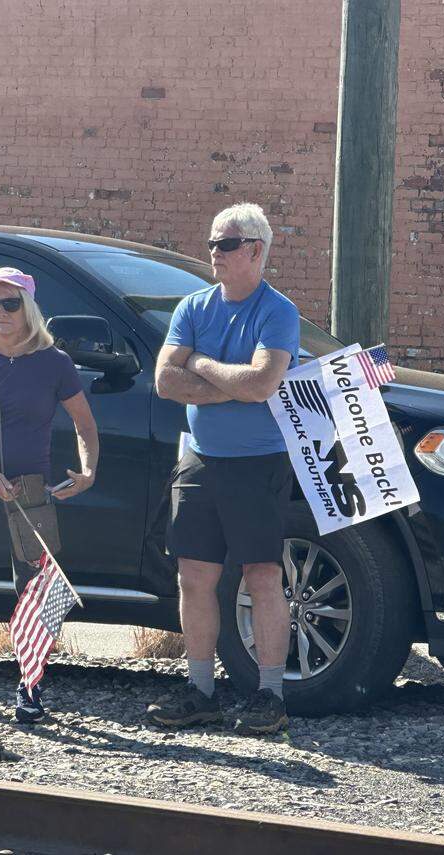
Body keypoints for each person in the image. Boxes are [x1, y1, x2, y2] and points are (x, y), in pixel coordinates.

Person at [149, 202, 299, 735]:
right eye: (212, 242)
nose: (214, 253)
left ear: (255, 251)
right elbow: (165, 383)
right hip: (199, 459)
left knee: (262, 576)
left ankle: (270, 696)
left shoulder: (277, 311)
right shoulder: (192, 306)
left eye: (226, 244)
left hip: (258, 463)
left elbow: (263, 385)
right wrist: (230, 386)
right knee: (194, 576)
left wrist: (203, 365)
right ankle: (200, 690)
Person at [0, 267, 99, 723]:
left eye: (10, 303)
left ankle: (30, 688)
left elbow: (86, 426)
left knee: (34, 587)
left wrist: (88, 470)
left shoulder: (55, 363)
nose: (0, 313)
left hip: (31, 490)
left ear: (28, 308)